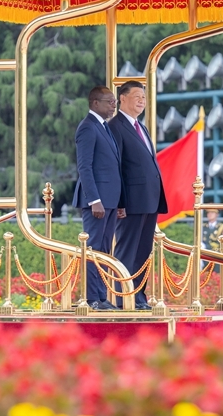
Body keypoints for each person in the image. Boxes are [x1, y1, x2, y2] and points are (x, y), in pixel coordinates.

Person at [108, 81, 168, 310]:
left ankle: (139, 297)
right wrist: (120, 201)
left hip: (149, 199)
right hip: (130, 201)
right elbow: (117, 166)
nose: (142, 100)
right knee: (127, 249)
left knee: (143, 251)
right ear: (122, 98)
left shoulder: (141, 127)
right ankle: (124, 298)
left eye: (144, 97)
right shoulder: (115, 126)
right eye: (137, 96)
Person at [72, 86, 124, 310]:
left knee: (104, 250)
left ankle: (102, 297)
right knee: (93, 249)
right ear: (95, 103)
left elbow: (113, 168)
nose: (113, 105)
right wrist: (94, 200)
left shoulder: (104, 127)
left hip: (110, 200)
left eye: (114, 102)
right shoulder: (87, 128)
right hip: (97, 202)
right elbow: (85, 167)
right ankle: (92, 298)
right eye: (109, 102)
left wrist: (120, 202)